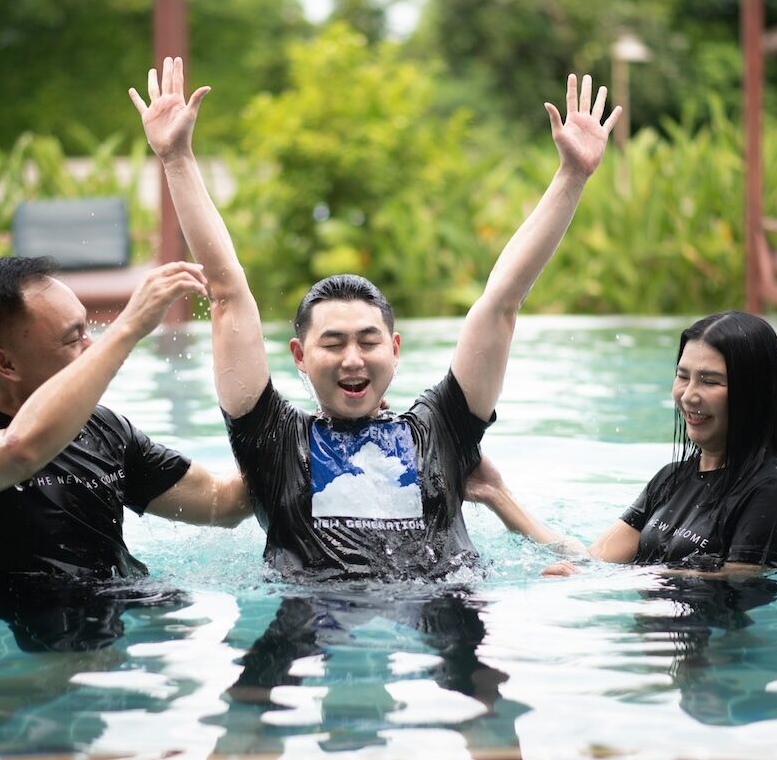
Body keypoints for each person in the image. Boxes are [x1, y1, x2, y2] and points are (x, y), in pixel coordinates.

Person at [129, 56, 621, 581]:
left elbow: (501, 303)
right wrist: (177, 159)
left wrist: (571, 177)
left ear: (395, 348)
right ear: (299, 354)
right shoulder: (275, 442)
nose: (352, 359)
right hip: (311, 620)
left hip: (441, 613)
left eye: (368, 340)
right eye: (333, 343)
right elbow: (227, 292)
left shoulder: (442, 431)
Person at [0, 255, 252, 583]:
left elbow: (221, 502)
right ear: (6, 365)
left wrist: (298, 442)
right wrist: (129, 327)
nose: (91, 345)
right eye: (72, 337)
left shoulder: (104, 430)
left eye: (87, 328)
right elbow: (19, 451)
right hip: (20, 628)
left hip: (131, 608)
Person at [468, 310, 777, 579]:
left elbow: (738, 581)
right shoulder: (671, 479)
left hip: (721, 656)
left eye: (710, 381)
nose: (688, 395)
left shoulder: (769, 492)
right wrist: (495, 494)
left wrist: (612, 581)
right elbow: (593, 561)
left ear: (753, 396)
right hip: (662, 644)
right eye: (683, 376)